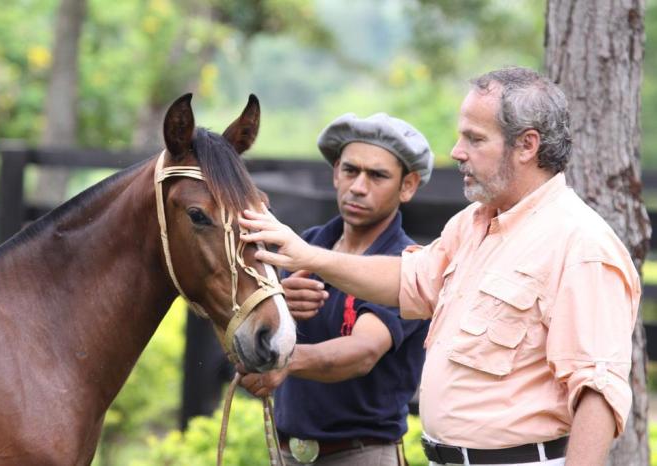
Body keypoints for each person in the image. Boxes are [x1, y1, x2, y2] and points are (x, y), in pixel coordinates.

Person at [238, 67, 640, 466]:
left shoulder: (582, 245)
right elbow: (408, 279)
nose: (456, 152)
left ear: (527, 145)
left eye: (474, 138)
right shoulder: (473, 223)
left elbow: (598, 392)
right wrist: (309, 256)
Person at [239, 112, 435, 466]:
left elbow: (362, 352)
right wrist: (278, 304)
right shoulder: (307, 245)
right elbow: (248, 325)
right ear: (335, 174)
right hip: (285, 453)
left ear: (408, 186)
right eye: (350, 170)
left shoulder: (406, 264)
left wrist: (282, 359)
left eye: (377, 175)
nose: (358, 186)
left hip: (363, 456)